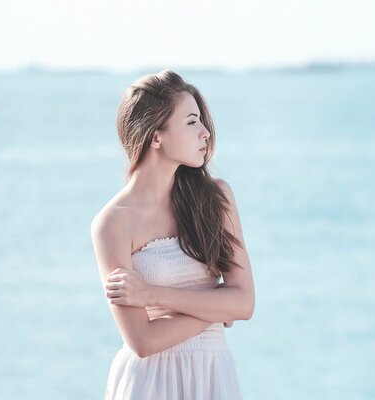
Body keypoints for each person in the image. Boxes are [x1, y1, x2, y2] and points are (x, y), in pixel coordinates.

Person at [90, 69, 255, 399]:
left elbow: (244, 304)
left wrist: (152, 294)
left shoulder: (215, 198)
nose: (206, 133)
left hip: (212, 377)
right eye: (192, 122)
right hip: (148, 385)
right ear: (156, 136)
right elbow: (143, 341)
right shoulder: (112, 223)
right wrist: (216, 309)